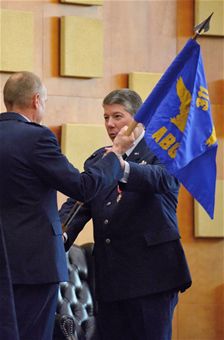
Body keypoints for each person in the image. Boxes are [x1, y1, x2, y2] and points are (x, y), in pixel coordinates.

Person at [0, 72, 134, 340]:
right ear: (37, 100)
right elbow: (83, 188)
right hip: (33, 265)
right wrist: (115, 153)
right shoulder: (36, 137)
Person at [60, 89, 192, 340]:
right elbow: (79, 203)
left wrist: (121, 166)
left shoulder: (163, 151)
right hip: (111, 279)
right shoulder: (101, 158)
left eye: (117, 116)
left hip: (152, 278)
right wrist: (58, 236)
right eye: (106, 117)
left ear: (138, 119)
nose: (110, 124)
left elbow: (163, 180)